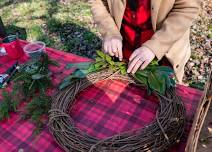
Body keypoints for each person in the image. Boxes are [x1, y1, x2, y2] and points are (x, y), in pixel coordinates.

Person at [89, 0, 201, 83]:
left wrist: (155, 46)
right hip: (122, 48)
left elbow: (187, 9)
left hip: (163, 52)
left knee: (159, 96)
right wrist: (110, 32)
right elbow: (98, 2)